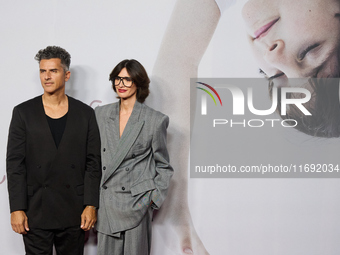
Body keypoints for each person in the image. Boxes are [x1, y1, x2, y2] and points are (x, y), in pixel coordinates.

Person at [6, 46, 101, 255]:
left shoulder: (85, 114)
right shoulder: (23, 113)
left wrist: (91, 204)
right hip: (35, 210)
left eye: (53, 71)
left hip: (74, 211)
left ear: (67, 75)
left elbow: (93, 164)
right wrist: (16, 208)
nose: (46, 77)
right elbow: (15, 165)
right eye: (42, 71)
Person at [95, 59, 173, 255]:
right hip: (107, 203)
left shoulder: (155, 120)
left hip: (137, 204)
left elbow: (164, 166)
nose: (121, 85)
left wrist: (151, 200)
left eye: (127, 80)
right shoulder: (100, 115)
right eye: (118, 79)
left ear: (138, 82)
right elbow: (92, 159)